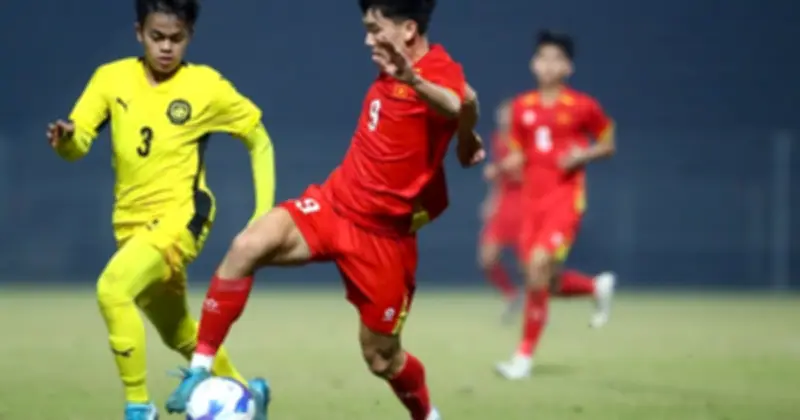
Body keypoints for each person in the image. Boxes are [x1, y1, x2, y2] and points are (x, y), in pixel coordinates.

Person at [163, 1, 484, 419]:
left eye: (375, 28)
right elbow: (466, 103)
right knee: (248, 245)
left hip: (382, 239)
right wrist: (465, 140)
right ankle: (199, 369)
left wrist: (424, 91)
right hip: (334, 204)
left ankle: (426, 415)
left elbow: (458, 101)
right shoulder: (394, 66)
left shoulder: (434, 69)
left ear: (408, 30)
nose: (367, 39)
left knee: (382, 358)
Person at [46, 1, 273, 418]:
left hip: (182, 217)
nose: (166, 47)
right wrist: (66, 142)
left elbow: (258, 139)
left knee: (112, 289)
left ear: (190, 36)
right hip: (130, 225)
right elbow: (78, 146)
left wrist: (262, 213)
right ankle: (248, 394)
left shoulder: (205, 86)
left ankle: (138, 407)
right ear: (139, 33)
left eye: (176, 38)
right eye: (157, 37)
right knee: (179, 333)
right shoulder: (111, 78)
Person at [494, 30, 617, 380]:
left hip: (565, 200)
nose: (548, 65)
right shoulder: (521, 107)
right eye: (542, 58)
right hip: (531, 203)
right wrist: (505, 165)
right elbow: (518, 152)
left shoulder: (583, 106)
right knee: (541, 280)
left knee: (537, 267)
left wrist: (583, 154)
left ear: (568, 67)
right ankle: (595, 287)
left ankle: (523, 358)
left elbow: (608, 143)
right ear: (533, 64)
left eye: (556, 59)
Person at [478, 100, 525, 322]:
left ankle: (536, 305)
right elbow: (500, 179)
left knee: (527, 262)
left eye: (508, 115)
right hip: (504, 201)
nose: (504, 119)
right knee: (487, 258)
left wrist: (498, 169)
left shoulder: (526, 139)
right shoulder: (498, 139)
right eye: (501, 115)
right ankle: (511, 294)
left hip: (525, 201)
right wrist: (491, 201)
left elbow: (525, 169)